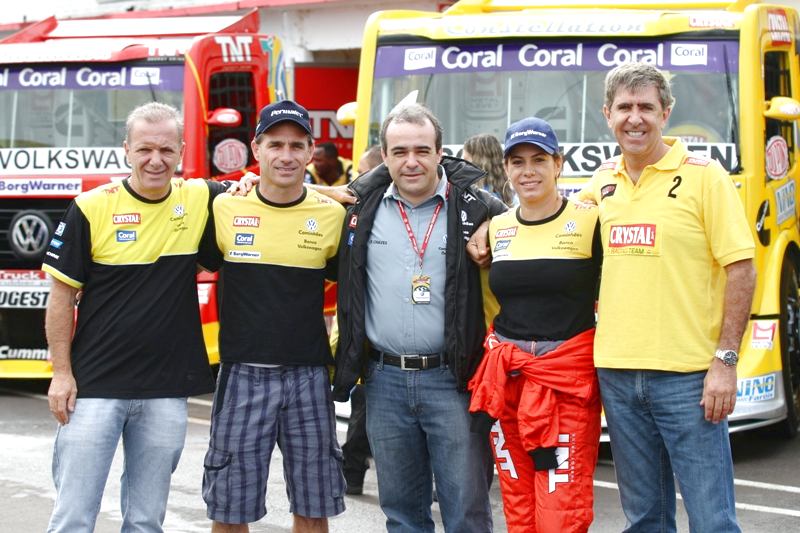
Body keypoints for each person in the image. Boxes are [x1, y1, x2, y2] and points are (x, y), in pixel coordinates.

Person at [577, 62, 756, 532]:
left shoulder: (705, 176)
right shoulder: (603, 180)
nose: (635, 118)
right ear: (607, 114)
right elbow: (551, 225)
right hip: (617, 375)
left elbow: (741, 269)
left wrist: (726, 361)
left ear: (666, 113)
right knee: (645, 520)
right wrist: (490, 228)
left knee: (712, 521)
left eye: (646, 107)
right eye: (624, 107)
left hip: (689, 378)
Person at [42, 102, 223, 532]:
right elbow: (61, 296)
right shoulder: (91, 207)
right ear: (126, 149)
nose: (155, 160)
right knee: (73, 519)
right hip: (95, 386)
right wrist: (61, 374)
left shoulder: (201, 197)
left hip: (165, 389)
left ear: (181, 151)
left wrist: (346, 192)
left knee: (145, 522)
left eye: (166, 150)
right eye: (144, 149)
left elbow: (277, 187)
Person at [333, 103, 506, 532]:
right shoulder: (359, 208)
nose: (411, 162)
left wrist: (494, 223)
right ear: (385, 156)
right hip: (384, 382)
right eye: (400, 151)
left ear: (440, 152)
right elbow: (294, 193)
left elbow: (534, 218)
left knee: (466, 514)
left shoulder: (479, 209)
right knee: (402, 515)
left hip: (454, 380)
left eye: (422, 150)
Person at [201, 100, 346, 533]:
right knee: (231, 508)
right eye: (275, 145)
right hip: (242, 374)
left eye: (297, 146)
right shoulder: (224, 207)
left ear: (310, 151)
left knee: (313, 506)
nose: (286, 155)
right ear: (256, 149)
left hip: (308, 376)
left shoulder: (333, 215)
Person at [468, 117, 602, 532]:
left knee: (562, 510)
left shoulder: (591, 220)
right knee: (518, 504)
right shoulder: (498, 227)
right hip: (507, 380)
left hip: (565, 383)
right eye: (518, 162)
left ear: (558, 164)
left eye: (539, 160)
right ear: (505, 169)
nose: (528, 171)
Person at [338, 144, 382, 496]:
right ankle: (351, 472)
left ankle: (352, 471)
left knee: (363, 411)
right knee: (362, 408)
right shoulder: (357, 210)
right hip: (363, 338)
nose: (356, 181)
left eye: (363, 173)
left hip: (375, 343)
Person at [462, 133, 514, 206]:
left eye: (466, 161)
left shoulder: (480, 198)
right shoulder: (510, 193)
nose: (462, 165)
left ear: (479, 163)